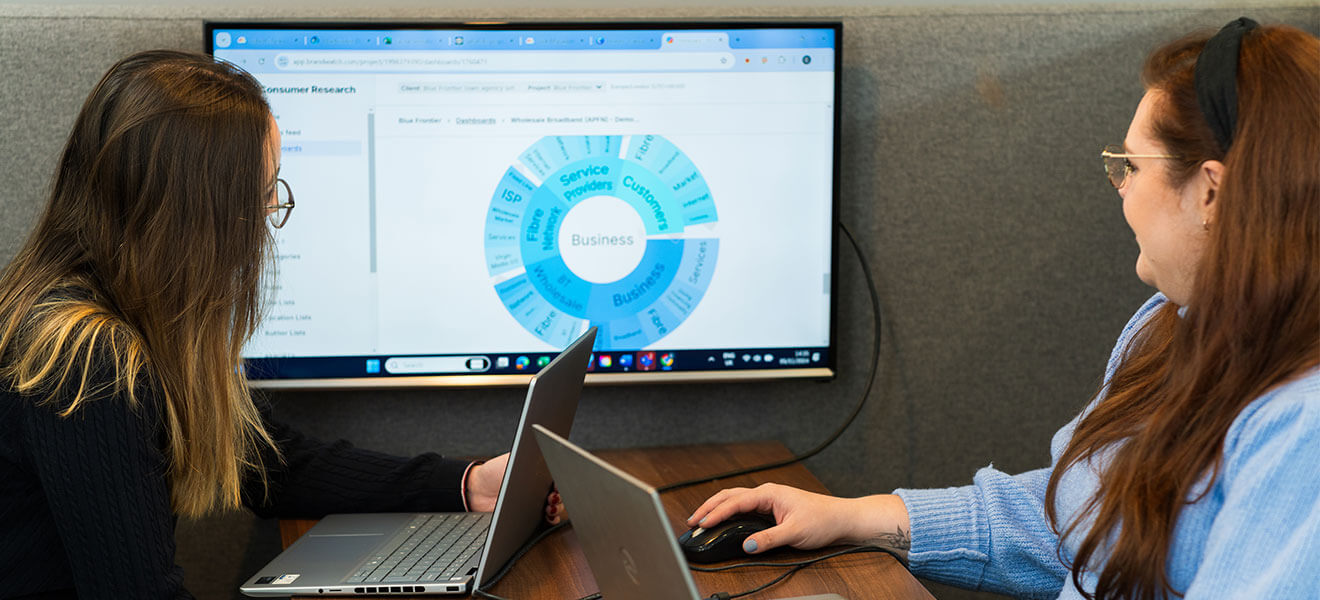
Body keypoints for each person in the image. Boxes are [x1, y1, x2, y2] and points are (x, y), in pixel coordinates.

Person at [688, 19, 1319, 600]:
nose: (1120, 188)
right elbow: (1072, 528)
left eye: (1130, 165)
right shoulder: (1166, 326)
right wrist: (851, 516)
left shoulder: (1300, 428)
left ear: (1211, 191)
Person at [0, 50, 561, 598]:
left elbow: (270, 464)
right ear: (203, 217)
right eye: (265, 191)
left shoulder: (139, 311)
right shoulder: (85, 361)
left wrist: (468, 484)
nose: (273, 213)